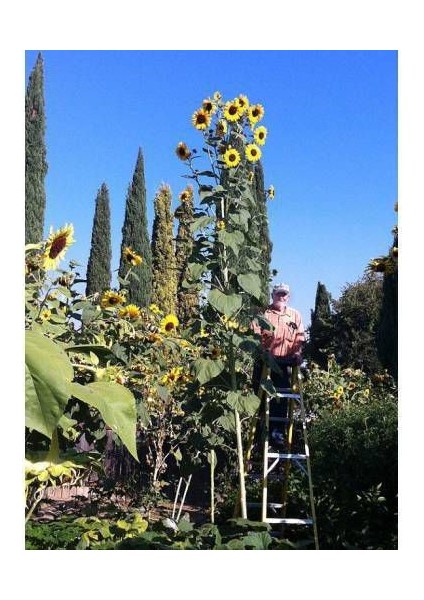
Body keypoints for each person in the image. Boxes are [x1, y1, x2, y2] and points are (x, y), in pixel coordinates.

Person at [251, 282, 305, 445]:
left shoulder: (295, 315)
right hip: (265, 363)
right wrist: (262, 350)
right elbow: (254, 335)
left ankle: (277, 435)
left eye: (284, 294)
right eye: (278, 294)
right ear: (272, 295)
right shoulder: (262, 314)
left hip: (284, 364)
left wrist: (297, 353)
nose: (281, 297)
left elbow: (300, 338)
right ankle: (259, 440)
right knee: (259, 402)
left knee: (280, 401)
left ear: (288, 297)